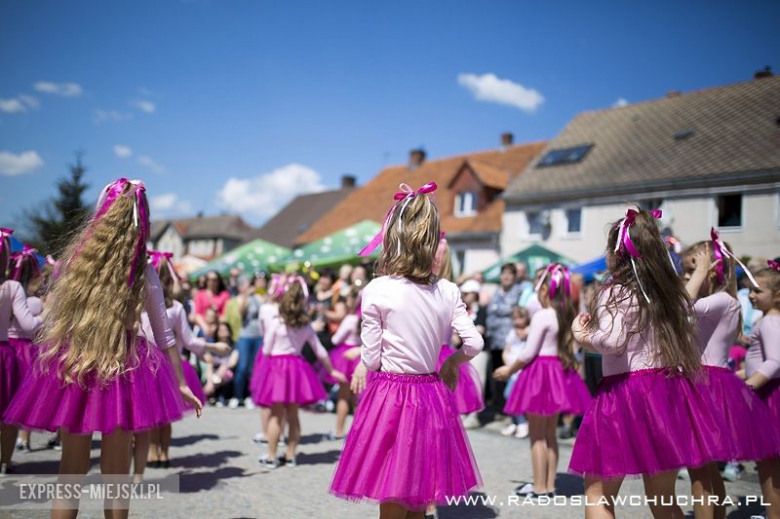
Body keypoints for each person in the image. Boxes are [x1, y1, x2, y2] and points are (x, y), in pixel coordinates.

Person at [3, 179, 202, 518]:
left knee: (71, 469)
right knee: (116, 474)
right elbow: (164, 334)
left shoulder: (74, 265)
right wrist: (180, 381)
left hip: (75, 361)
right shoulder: (143, 273)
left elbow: (55, 319)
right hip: (123, 367)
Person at [330, 181, 483, 518]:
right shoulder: (447, 289)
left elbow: (370, 358)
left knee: (392, 492)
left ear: (393, 236)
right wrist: (453, 362)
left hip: (391, 395)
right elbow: (474, 343)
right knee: (420, 493)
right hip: (431, 393)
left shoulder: (378, 289)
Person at [569, 208, 727, 519]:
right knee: (663, 498)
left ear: (618, 253)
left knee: (598, 493)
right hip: (666, 392)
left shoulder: (615, 293)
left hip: (624, 394)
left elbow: (612, 343)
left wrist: (581, 335)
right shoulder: (669, 297)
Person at [682, 235, 780, 519]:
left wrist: (697, 275)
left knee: (701, 471)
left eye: (692, 269)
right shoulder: (717, 301)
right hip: (701, 381)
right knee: (704, 470)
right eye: (687, 271)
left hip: (706, 385)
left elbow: (681, 305)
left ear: (712, 270)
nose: (687, 277)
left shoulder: (723, 300)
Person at [495, 264, 592, 499]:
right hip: (560, 372)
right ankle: (549, 485)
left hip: (540, 373)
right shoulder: (567, 314)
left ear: (545, 289)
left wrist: (509, 369)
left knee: (537, 435)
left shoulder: (542, 316)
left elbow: (528, 353)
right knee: (550, 434)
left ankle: (539, 487)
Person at [139, 251, 230, 472]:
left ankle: (158, 453)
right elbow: (189, 341)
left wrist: (211, 347)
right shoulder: (169, 307)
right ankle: (161, 453)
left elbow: (187, 340)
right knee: (161, 415)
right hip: (156, 364)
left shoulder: (150, 305)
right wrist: (212, 346)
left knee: (157, 414)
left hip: (157, 365)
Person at [253, 276, 346, 469]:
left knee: (276, 415)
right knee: (293, 414)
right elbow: (319, 350)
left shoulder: (277, 323)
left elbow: (267, 350)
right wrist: (332, 370)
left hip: (277, 368)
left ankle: (271, 456)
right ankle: (290, 455)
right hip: (296, 368)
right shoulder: (305, 326)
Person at [0, 228, 43, 474]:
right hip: (4, 353)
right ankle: (4, 461)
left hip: (9, 349)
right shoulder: (12, 287)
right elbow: (27, 324)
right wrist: (47, 316)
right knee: (7, 413)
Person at [745, 260, 780, 518]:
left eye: (758, 291)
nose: (752, 296)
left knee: (769, 468)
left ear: (777, 295)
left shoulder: (769, 322)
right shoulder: (769, 320)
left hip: (769, 397)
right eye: (750, 290)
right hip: (769, 393)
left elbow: (775, 362)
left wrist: (747, 388)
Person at [485, 263, 522, 411]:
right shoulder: (497, 291)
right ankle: (498, 405)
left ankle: (509, 409)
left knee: (508, 373)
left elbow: (510, 308)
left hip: (508, 341)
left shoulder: (516, 291)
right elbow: (490, 309)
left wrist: (495, 307)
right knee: (496, 373)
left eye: (509, 274)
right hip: (494, 339)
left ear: (514, 277)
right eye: (504, 273)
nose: (506, 276)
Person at [230, 275, 264, 409]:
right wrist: (246, 295)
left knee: (254, 368)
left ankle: (251, 396)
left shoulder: (263, 297)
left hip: (259, 336)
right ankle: (237, 396)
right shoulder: (246, 298)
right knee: (242, 367)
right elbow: (241, 312)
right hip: (245, 336)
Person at [500, 306, 530, 439]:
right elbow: (506, 350)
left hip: (523, 372)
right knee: (509, 395)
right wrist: (507, 363)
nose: (517, 321)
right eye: (515, 319)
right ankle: (515, 422)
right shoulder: (512, 332)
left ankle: (522, 422)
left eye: (520, 318)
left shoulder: (530, 332)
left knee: (511, 395)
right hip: (512, 371)